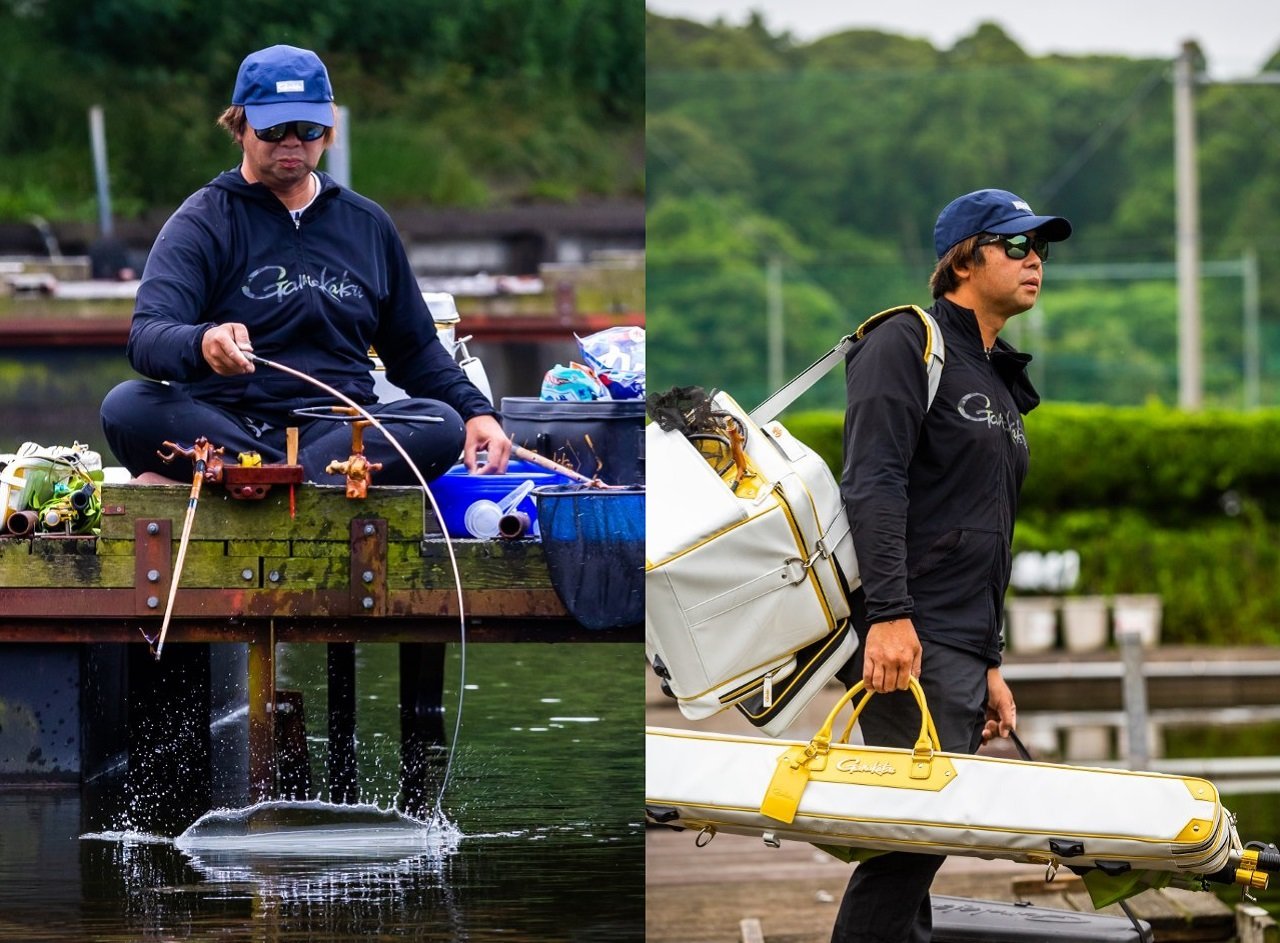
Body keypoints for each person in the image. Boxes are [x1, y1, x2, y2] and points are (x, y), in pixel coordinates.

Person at [832, 188, 1071, 943]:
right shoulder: (907, 342)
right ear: (964, 259)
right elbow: (873, 480)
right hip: (909, 633)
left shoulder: (996, 377)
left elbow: (983, 529)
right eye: (1015, 243)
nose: (1034, 258)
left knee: (920, 845)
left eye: (1041, 246)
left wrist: (990, 662)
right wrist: (891, 615)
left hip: (959, 644)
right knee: (912, 842)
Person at [101, 45, 510, 484]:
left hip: (342, 431)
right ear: (240, 128)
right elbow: (146, 337)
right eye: (274, 128)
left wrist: (476, 411)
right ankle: (292, 481)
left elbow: (415, 350)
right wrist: (202, 342)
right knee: (126, 407)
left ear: (328, 130)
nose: (292, 140)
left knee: (440, 424)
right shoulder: (201, 222)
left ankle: (263, 483)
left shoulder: (367, 224)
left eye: (308, 127)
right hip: (229, 428)